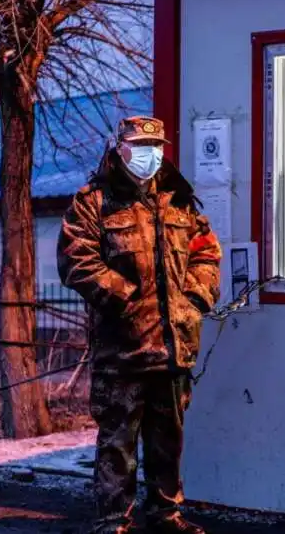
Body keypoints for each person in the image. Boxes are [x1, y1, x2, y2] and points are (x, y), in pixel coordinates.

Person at [57, 116, 221, 534]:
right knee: (118, 445)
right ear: (119, 149)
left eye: (158, 147)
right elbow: (76, 259)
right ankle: (114, 521)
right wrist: (123, 297)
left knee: (168, 443)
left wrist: (195, 297)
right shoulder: (93, 202)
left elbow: (206, 251)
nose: (150, 155)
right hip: (123, 350)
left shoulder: (178, 200)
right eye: (140, 146)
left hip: (174, 348)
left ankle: (166, 515)